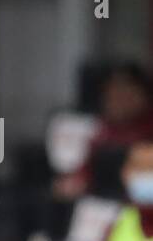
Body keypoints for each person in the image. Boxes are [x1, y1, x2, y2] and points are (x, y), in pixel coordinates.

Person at [54, 63, 153, 200]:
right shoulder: (102, 132)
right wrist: (75, 183)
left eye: (126, 93)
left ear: (143, 96)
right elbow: (84, 174)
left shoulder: (147, 131)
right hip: (107, 208)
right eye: (112, 95)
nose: (118, 101)